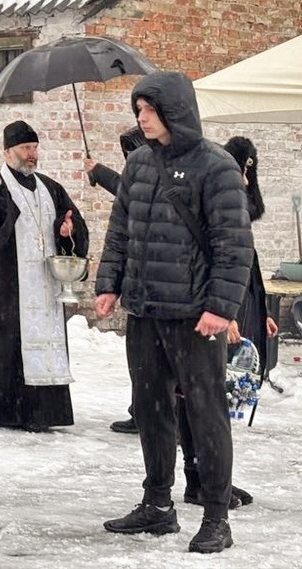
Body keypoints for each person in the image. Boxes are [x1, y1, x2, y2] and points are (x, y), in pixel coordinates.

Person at [95, 71, 253, 555]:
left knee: (206, 415)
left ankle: (216, 517)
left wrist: (220, 309)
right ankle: (158, 505)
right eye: (138, 110)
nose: (140, 118)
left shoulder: (217, 167)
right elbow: (120, 230)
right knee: (150, 409)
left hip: (194, 315)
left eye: (148, 110)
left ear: (175, 111)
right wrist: (109, 284)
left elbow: (234, 246)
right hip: (144, 311)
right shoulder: (139, 165)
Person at [0, 120, 89, 431]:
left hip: (44, 283)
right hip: (7, 283)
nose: (32, 154)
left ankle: (41, 413)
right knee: (3, 341)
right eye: (25, 148)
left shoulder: (51, 188)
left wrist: (66, 231)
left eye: (35, 148)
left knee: (43, 341)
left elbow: (72, 226)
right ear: (8, 152)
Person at [176, 135, 276, 511]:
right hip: (211, 310)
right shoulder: (209, 203)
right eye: (242, 173)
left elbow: (247, 259)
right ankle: (198, 480)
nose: (247, 183)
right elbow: (213, 261)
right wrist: (225, 312)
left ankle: (216, 478)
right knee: (200, 398)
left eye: (250, 173)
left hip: (237, 304)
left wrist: (260, 310)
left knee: (219, 398)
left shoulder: (235, 207)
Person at [83, 125, 147, 435]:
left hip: (162, 290)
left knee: (155, 364)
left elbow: (133, 194)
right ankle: (142, 411)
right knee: (140, 361)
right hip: (138, 288)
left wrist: (100, 171)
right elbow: (117, 237)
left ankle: (154, 416)